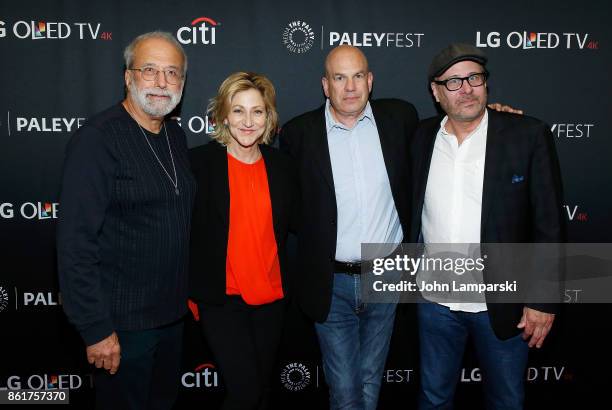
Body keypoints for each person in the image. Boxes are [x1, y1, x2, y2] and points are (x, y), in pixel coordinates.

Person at [409, 43, 565, 409]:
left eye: (474, 77)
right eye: (454, 82)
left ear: (486, 83)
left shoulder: (526, 134)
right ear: (435, 91)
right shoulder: (420, 137)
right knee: (432, 399)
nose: (466, 88)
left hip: (502, 303)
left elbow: (549, 225)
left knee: (506, 400)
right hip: (434, 304)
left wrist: (542, 300)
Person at [57, 31, 195, 409]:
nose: (161, 83)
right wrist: (96, 329)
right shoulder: (98, 139)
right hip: (121, 328)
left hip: (171, 320)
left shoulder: (175, 136)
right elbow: (75, 243)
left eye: (172, 73)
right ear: (128, 76)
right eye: (149, 70)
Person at [279, 45, 419, 410]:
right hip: (330, 281)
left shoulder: (400, 118)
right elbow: (290, 208)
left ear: (370, 80)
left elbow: (451, 126)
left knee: (371, 380)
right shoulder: (298, 134)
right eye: (340, 78)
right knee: (344, 389)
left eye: (358, 76)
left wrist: (495, 116)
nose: (350, 87)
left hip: (386, 275)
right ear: (326, 85)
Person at [189, 72, 299, 409]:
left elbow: (297, 227)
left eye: (257, 111)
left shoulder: (281, 167)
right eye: (238, 111)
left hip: (271, 298)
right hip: (222, 301)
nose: (248, 121)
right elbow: (182, 231)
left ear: (269, 117)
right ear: (223, 115)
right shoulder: (199, 164)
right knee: (244, 393)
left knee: (262, 391)